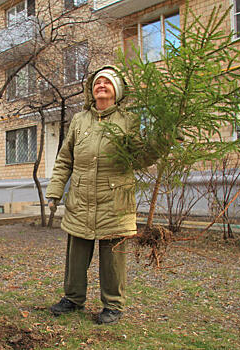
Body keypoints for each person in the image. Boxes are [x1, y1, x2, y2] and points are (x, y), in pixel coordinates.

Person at [46, 65, 155, 324]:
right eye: (97, 82)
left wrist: (161, 143)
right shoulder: (79, 120)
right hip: (81, 198)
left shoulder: (128, 121)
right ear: (91, 89)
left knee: (112, 259)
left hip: (114, 201)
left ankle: (113, 306)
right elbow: (64, 160)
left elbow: (139, 158)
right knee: (76, 255)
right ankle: (73, 299)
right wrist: (55, 191)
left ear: (116, 90)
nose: (101, 85)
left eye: (107, 82)